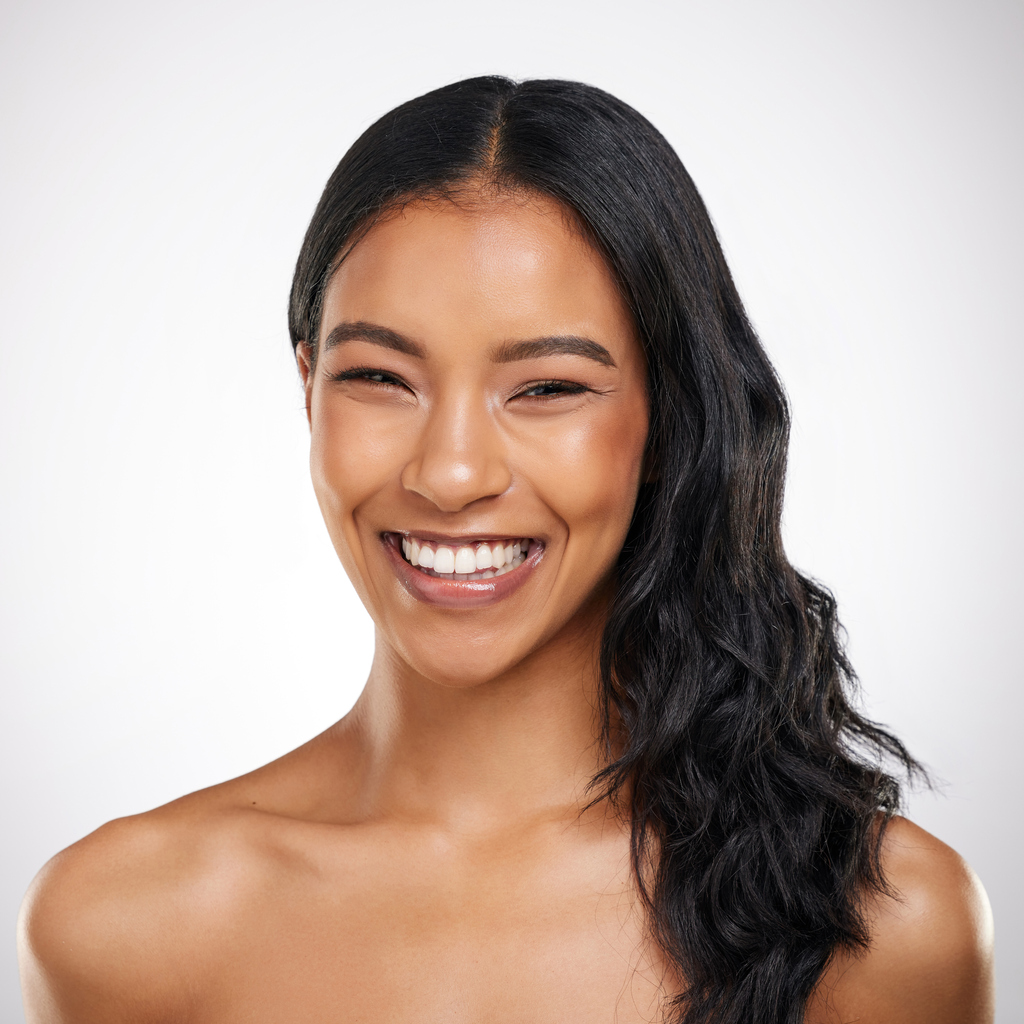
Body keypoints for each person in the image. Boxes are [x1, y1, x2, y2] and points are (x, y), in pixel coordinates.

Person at [18, 76, 994, 1024]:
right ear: (306, 388)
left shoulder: (878, 926)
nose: (450, 474)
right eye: (380, 377)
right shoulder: (121, 924)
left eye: (548, 388)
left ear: (668, 422)